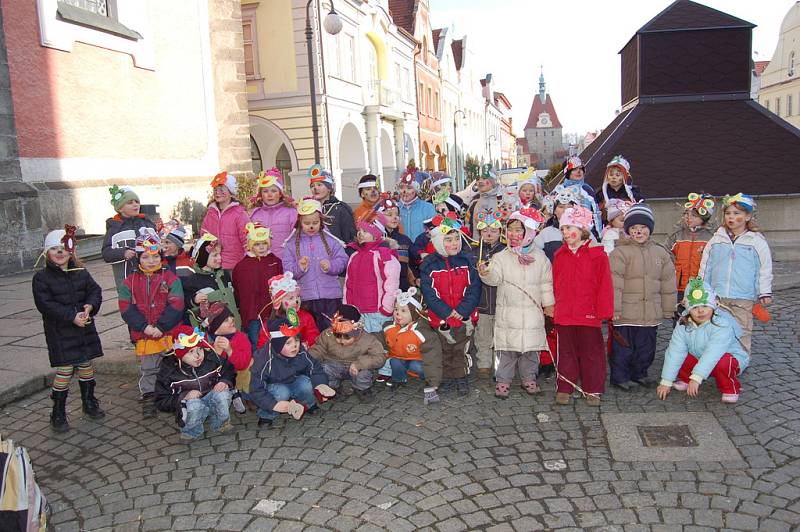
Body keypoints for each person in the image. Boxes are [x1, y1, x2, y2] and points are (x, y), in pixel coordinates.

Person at [33, 226, 104, 432]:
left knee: (85, 365)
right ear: (47, 253)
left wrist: (89, 307)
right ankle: (58, 410)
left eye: (64, 248)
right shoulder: (42, 278)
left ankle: (89, 402)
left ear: (71, 250)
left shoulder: (81, 272)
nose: (60, 252)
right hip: (61, 332)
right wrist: (71, 317)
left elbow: (94, 291)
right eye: (55, 249)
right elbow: (46, 305)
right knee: (65, 369)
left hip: (84, 329)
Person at [479, 208, 554, 398]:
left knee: (531, 350)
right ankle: (503, 380)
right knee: (506, 350)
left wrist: (549, 305)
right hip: (508, 314)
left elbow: (546, 283)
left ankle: (529, 378)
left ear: (529, 232)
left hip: (532, 314)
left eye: (518, 230)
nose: (513, 234)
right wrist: (485, 273)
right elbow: (494, 279)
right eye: (510, 229)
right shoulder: (501, 257)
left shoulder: (541, 258)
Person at [609, 203, 676, 391]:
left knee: (646, 348)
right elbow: (614, 283)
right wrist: (614, 308)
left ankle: (640, 373)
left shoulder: (660, 253)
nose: (639, 232)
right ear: (628, 231)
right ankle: (620, 376)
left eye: (643, 228)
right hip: (626, 313)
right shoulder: (620, 253)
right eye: (634, 228)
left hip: (650, 313)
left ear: (651, 229)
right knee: (623, 348)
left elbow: (668, 282)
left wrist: (669, 307)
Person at [118, 233, 184, 418]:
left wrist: (161, 327)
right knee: (149, 368)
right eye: (145, 257)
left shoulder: (171, 279)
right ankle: (149, 397)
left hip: (168, 332)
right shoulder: (129, 282)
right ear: (138, 258)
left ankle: (173, 396)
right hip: (145, 334)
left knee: (172, 365)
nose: (151, 260)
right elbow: (126, 308)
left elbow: (177, 304)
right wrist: (144, 327)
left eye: (155, 256)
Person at [552, 205, 613, 406]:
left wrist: (604, 310)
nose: (566, 233)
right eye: (563, 229)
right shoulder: (560, 255)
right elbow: (555, 283)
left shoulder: (597, 255)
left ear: (582, 230)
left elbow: (605, 284)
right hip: (565, 314)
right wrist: (553, 306)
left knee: (592, 353)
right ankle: (565, 386)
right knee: (566, 353)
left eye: (570, 228)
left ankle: (593, 389)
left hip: (588, 314)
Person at [699, 193, 772, 355]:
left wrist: (764, 291)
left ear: (747, 216)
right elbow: (706, 265)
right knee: (719, 327)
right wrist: (702, 288)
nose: (731, 217)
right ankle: (720, 357)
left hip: (743, 296)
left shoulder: (756, 241)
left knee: (742, 328)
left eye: (736, 213)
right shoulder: (717, 239)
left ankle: (740, 359)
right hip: (718, 295)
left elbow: (764, 268)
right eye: (728, 213)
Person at [657, 278, 749, 403]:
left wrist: (697, 378)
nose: (701, 311)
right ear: (688, 309)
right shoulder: (683, 324)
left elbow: (713, 352)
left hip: (729, 358)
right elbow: (675, 351)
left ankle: (730, 388)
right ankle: (686, 378)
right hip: (699, 355)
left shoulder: (722, 324)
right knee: (681, 354)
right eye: (695, 308)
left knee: (723, 362)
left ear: (714, 305)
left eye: (705, 306)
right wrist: (666, 381)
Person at [419, 214, 481, 395]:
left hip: (464, 316)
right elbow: (430, 293)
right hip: (442, 318)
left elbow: (474, 288)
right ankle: (447, 376)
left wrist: (462, 310)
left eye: (456, 239)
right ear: (439, 242)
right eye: (448, 240)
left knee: (461, 348)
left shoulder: (467, 261)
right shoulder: (429, 265)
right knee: (444, 348)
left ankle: (461, 377)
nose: (454, 243)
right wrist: (446, 312)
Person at [249, 317, 335, 427]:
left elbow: (315, 368)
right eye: (288, 343)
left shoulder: (300, 352)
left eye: (297, 340)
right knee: (282, 392)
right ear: (278, 345)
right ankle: (267, 414)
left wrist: (320, 384)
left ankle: (309, 404)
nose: (295, 346)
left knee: (305, 384)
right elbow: (256, 389)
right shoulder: (264, 359)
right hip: (273, 387)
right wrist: (273, 405)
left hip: (293, 380)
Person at [154, 326, 235, 440]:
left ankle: (221, 423)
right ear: (180, 354)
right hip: (192, 406)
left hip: (211, 398)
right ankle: (191, 431)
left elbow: (228, 369)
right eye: (191, 351)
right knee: (193, 404)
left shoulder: (211, 358)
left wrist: (224, 381)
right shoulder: (169, 370)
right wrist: (184, 396)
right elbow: (161, 400)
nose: (198, 356)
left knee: (223, 394)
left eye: (200, 349)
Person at [282, 198, 349, 331]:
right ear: (299, 222)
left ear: (321, 222)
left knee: (331, 329)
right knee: (310, 330)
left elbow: (342, 259)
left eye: (315, 222)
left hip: (330, 296)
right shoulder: (291, 244)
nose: (311, 226)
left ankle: (330, 351)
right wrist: (300, 267)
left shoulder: (330, 240)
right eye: (307, 223)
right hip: (305, 297)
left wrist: (330, 266)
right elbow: (287, 270)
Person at [378, 288, 443, 404]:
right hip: (400, 358)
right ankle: (399, 379)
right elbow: (378, 340)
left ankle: (427, 379)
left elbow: (433, 359)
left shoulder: (423, 333)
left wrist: (432, 384)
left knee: (416, 365)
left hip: (419, 362)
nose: (398, 314)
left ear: (414, 313)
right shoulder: (388, 327)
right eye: (396, 309)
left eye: (403, 311)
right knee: (394, 361)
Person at [309, 304, 386, 402]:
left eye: (347, 337)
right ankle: (334, 388)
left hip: (357, 368)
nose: (341, 341)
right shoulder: (327, 335)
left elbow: (380, 357)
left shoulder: (368, 339)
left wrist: (360, 364)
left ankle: (362, 389)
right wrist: (309, 358)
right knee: (324, 368)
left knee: (364, 374)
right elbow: (319, 348)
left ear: (357, 332)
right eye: (337, 336)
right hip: (335, 364)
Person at [344, 211, 400, 333]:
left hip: (378, 312)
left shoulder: (384, 255)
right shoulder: (355, 255)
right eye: (359, 230)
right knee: (361, 343)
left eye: (365, 231)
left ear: (376, 234)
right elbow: (348, 283)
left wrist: (387, 307)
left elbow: (391, 283)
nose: (360, 234)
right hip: (358, 311)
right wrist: (347, 306)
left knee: (379, 344)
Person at [232, 222, 283, 348]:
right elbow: (237, 291)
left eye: (264, 243)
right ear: (250, 245)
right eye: (257, 244)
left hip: (273, 313)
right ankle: (257, 366)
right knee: (256, 343)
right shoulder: (241, 266)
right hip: (252, 315)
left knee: (275, 342)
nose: (261, 247)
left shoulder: (275, 262)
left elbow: (282, 287)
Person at [470, 210, 507, 378]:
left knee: (501, 337)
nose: (489, 234)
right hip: (482, 302)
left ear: (500, 232)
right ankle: (483, 364)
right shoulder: (473, 251)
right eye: (485, 231)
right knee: (483, 336)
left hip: (501, 301)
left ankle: (500, 367)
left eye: (493, 230)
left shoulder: (506, 251)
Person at [102, 184, 157, 290]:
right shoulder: (115, 227)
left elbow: (157, 246)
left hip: (151, 275)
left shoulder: (147, 223)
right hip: (127, 278)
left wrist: (155, 248)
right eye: (130, 202)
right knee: (130, 303)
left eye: (137, 202)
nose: (135, 205)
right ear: (120, 208)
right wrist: (123, 253)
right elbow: (106, 253)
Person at [665, 193, 716, 302]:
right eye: (687, 214)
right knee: (678, 313)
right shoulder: (677, 235)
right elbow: (666, 253)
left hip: (700, 286)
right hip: (678, 286)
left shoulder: (711, 237)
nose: (689, 218)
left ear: (704, 217)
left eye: (693, 215)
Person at [183, 233, 240, 328]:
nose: (219, 258)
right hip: (214, 330)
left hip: (234, 325)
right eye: (215, 255)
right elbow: (186, 301)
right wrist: (194, 299)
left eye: (220, 254)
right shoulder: (193, 280)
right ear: (203, 258)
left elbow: (234, 298)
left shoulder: (224, 274)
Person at [201, 302, 253, 398]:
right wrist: (216, 353)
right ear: (215, 328)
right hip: (213, 381)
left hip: (236, 376)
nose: (232, 320)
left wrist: (230, 351)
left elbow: (243, 364)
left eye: (231, 317)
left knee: (250, 364)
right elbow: (203, 370)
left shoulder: (240, 337)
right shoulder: (205, 342)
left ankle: (243, 394)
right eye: (226, 320)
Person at [200, 171, 250, 271]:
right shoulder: (211, 213)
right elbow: (204, 237)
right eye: (215, 189)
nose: (218, 192)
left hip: (235, 265)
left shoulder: (239, 214)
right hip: (214, 264)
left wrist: (247, 262)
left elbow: (247, 240)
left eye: (222, 189)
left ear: (231, 193)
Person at [249, 168, 298, 260]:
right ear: (261, 194)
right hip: (262, 262)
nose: (269, 195)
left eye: (273, 191)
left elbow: (298, 239)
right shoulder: (255, 215)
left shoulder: (291, 213)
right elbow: (249, 240)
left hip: (284, 261)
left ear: (280, 194)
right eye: (265, 191)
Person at [264, 272, 320, 348]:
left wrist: (306, 344)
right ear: (278, 302)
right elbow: (263, 344)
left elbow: (313, 336)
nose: (296, 301)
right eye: (291, 298)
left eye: (298, 296)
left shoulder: (306, 317)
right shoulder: (270, 323)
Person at [307, 164, 356, 244]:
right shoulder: (311, 209)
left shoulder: (341, 209)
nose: (315, 189)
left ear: (329, 188)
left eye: (319, 185)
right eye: (312, 186)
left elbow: (349, 238)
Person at [379, 196, 415, 290]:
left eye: (397, 214)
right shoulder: (376, 241)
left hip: (403, 289)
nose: (395, 217)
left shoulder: (404, 240)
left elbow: (413, 261)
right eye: (389, 214)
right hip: (382, 289)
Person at [594, 155, 643, 220]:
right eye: (611, 174)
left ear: (624, 177)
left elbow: (641, 208)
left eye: (617, 175)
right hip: (607, 227)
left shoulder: (633, 192)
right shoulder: (600, 193)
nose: (613, 177)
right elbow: (594, 212)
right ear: (607, 177)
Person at [562, 157, 602, 234]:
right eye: (574, 169)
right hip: (568, 232)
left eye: (581, 168)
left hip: (587, 231)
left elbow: (596, 213)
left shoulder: (587, 189)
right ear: (567, 172)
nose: (579, 171)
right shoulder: (561, 190)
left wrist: (599, 234)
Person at [397, 165, 437, 241]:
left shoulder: (428, 208)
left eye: (409, 188)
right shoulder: (395, 208)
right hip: (401, 250)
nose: (404, 191)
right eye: (402, 187)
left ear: (415, 190)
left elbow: (434, 232)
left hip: (422, 250)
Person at [465, 164, 503, 235]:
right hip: (477, 244)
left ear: (493, 181)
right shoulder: (473, 203)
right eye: (478, 179)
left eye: (484, 178)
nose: (480, 181)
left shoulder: (502, 201)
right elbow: (467, 225)